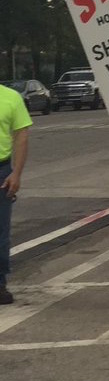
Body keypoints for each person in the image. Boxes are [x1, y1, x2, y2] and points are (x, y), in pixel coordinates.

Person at [0, 82, 31, 305]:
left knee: (1, 232)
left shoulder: (11, 98)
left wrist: (16, 174)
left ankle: (0, 283)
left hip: (1, 171)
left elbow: (21, 135)